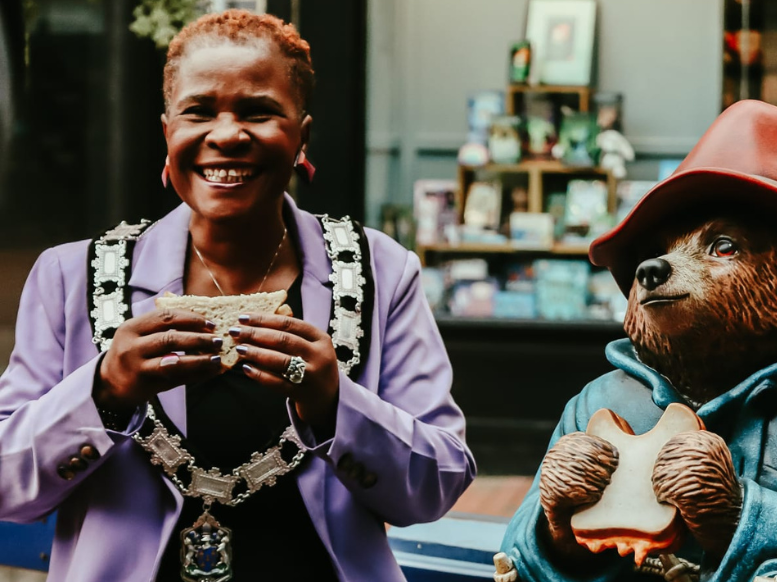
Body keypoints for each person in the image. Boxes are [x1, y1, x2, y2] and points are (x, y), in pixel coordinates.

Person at [0, 10, 475, 581]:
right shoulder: (71, 276)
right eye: (198, 111)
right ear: (168, 131)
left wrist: (335, 404)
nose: (226, 135)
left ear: (302, 134)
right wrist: (104, 390)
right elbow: (7, 489)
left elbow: (438, 486)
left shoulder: (379, 270)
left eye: (259, 111)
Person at [499, 100, 777, 581]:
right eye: (658, 252)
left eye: (723, 247)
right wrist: (554, 531)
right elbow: (515, 560)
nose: (655, 269)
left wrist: (741, 517)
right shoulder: (603, 404)